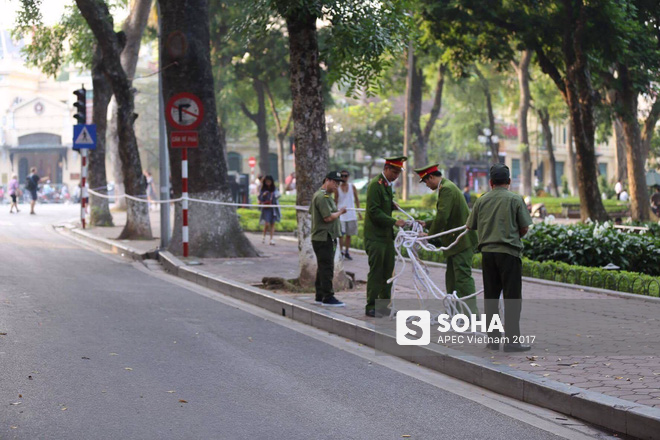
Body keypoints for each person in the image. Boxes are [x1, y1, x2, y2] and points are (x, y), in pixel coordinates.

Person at [466, 163, 533, 352]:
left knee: (491, 298)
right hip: (509, 254)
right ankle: (512, 342)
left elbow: (471, 225)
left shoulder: (482, 200)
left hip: (487, 254)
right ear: (509, 181)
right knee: (512, 299)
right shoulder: (515, 199)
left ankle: (493, 340)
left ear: (490, 182)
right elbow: (524, 228)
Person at [413, 164, 478, 314]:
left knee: (462, 279)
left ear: (431, 177)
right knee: (452, 279)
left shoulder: (447, 189)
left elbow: (443, 217)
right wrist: (427, 224)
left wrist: (429, 235)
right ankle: (455, 312)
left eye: (426, 182)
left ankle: (471, 315)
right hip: (455, 242)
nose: (427, 185)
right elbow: (445, 217)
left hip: (461, 241)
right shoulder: (446, 186)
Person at [364, 156, 408, 317]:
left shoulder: (387, 186)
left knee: (388, 272)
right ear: (387, 168)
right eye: (394, 172)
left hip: (386, 237)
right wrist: (394, 222)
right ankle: (371, 306)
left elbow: (384, 205)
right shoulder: (376, 185)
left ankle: (383, 305)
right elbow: (374, 211)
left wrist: (392, 205)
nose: (396, 175)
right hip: (375, 237)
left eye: (398, 173)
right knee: (376, 272)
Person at [311, 171, 347, 307]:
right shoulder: (322, 197)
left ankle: (319, 295)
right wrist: (340, 212)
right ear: (327, 180)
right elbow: (327, 218)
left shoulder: (323, 195)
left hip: (323, 237)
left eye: (338, 183)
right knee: (327, 267)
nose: (337, 186)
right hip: (324, 237)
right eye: (335, 183)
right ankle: (328, 297)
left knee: (322, 267)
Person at [335, 170, 361, 260]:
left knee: (349, 235)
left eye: (345, 176)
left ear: (348, 177)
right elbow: (335, 201)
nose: (344, 178)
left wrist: (359, 212)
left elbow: (357, 199)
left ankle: (347, 251)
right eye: (342, 176)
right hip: (341, 214)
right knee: (341, 234)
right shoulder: (337, 188)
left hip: (351, 214)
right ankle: (341, 252)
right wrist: (335, 213)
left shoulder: (352, 187)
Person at [258, 175, 281, 245]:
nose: (268, 183)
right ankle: (263, 236)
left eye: (269, 182)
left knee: (272, 224)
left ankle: (271, 239)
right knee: (267, 223)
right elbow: (260, 198)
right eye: (267, 182)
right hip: (266, 208)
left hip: (273, 208)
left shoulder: (274, 189)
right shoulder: (263, 189)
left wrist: (274, 195)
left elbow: (278, 196)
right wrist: (263, 195)